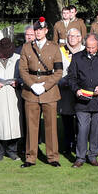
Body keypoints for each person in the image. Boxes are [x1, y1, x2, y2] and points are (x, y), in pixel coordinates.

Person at [18, 16, 64, 167]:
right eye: (36, 30)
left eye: (41, 30)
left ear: (46, 31)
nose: (38, 33)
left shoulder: (54, 47)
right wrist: (32, 85)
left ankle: (53, 157)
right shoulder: (26, 47)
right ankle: (30, 157)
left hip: (49, 91)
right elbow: (23, 70)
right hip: (31, 91)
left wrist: (44, 86)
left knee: (51, 127)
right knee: (31, 127)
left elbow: (58, 71)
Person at [68, 33, 98, 167]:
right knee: (82, 128)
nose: (90, 50)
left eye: (93, 47)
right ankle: (80, 157)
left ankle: (93, 156)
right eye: (88, 47)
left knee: (96, 129)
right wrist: (76, 89)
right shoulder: (77, 57)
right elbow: (71, 77)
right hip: (82, 99)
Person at [57, 27, 85, 157]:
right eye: (70, 36)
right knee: (67, 120)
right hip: (65, 91)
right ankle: (68, 144)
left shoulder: (85, 50)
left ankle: (80, 145)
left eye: (75, 36)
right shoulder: (61, 51)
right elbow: (56, 70)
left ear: (80, 38)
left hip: (81, 90)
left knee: (81, 120)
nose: (72, 38)